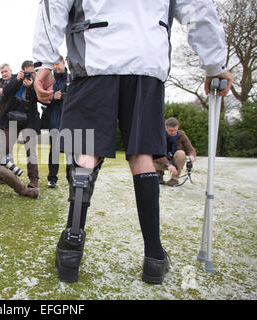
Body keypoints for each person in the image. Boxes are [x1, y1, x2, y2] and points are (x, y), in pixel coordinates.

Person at [33, 0, 233, 284]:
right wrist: (214, 63)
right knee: (142, 155)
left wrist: (43, 61)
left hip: (95, 54)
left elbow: (54, 4)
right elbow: (197, 8)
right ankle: (154, 256)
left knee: (86, 153)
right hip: (146, 57)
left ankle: (71, 249)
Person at [0, 60, 41, 188]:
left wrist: (31, 86)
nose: (29, 75)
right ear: (22, 70)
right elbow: (5, 91)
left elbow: (40, 98)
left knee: (30, 150)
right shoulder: (16, 78)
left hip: (29, 120)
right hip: (12, 118)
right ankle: (5, 175)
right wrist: (17, 80)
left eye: (31, 73)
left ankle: (34, 180)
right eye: (27, 72)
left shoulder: (36, 82)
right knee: (4, 148)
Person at [40, 55, 69, 188]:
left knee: (71, 150)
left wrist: (65, 96)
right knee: (55, 151)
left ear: (63, 63)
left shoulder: (72, 78)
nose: (56, 67)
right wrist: (53, 97)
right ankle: (52, 178)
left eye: (57, 64)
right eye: (53, 65)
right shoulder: (49, 80)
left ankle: (72, 177)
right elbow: (41, 98)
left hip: (70, 120)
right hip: (55, 120)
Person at [154, 117, 196, 186]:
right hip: (162, 158)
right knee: (151, 155)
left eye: (175, 130)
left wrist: (192, 155)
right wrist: (168, 164)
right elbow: (157, 153)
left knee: (181, 153)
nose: (173, 132)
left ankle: (174, 178)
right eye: (170, 130)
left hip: (175, 158)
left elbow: (190, 148)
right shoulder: (160, 135)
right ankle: (158, 175)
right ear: (166, 128)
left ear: (178, 127)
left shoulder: (182, 135)